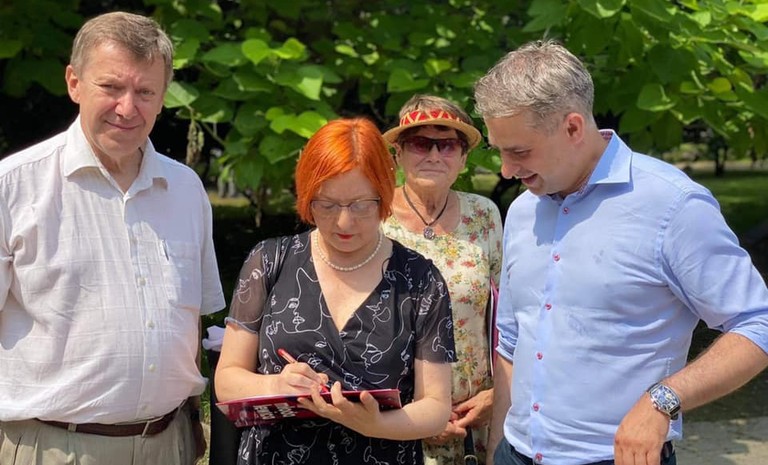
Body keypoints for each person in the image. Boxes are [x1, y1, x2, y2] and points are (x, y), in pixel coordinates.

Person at [473, 39, 768, 465]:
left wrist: (663, 399)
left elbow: (757, 323)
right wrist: (495, 450)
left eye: (519, 151)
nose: (505, 170)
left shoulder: (673, 205)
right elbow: (512, 343)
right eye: (499, 150)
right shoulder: (521, 211)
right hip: (513, 453)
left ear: (573, 128)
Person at [0, 11, 225, 465]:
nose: (127, 108)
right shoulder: (13, 186)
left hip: (171, 445)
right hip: (53, 447)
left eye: (145, 92)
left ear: (163, 97)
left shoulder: (186, 190)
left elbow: (194, 324)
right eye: (111, 87)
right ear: (74, 83)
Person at [214, 117, 456, 465]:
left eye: (361, 205)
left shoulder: (420, 280)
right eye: (326, 205)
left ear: (384, 195)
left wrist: (377, 424)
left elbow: (435, 407)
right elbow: (226, 379)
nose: (344, 222)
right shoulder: (269, 261)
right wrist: (274, 386)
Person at [381, 95, 503, 465]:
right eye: (420, 143)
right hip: (393, 417)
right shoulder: (373, 216)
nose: (434, 155)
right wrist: (416, 413)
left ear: (463, 158)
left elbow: (512, 315)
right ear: (399, 153)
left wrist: (498, 394)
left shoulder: (484, 215)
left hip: (474, 416)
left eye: (448, 145)